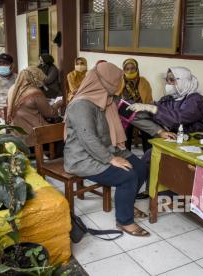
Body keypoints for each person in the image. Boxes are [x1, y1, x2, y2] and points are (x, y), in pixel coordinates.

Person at [64, 62, 150, 237]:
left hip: (105, 150)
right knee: (127, 175)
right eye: (117, 79)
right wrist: (111, 159)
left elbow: (134, 114)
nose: (120, 83)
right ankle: (124, 221)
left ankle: (126, 204)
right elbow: (88, 138)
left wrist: (160, 131)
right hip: (82, 158)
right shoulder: (81, 105)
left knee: (141, 168)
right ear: (106, 81)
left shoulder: (108, 99)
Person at [128, 66, 203, 199]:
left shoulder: (195, 99)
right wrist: (141, 108)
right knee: (148, 157)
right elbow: (158, 110)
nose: (168, 84)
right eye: (167, 80)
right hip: (172, 141)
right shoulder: (170, 98)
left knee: (150, 156)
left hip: (192, 144)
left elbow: (178, 118)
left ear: (183, 80)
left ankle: (151, 191)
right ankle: (144, 191)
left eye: (172, 80)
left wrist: (153, 109)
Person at [7, 67, 64, 147]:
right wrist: (58, 104)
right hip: (34, 137)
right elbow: (50, 113)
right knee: (64, 130)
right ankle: (54, 156)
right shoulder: (34, 92)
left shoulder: (12, 89)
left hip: (16, 136)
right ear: (35, 77)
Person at [117, 58, 154, 152]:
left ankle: (147, 157)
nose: (130, 71)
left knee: (147, 133)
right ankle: (127, 156)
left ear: (136, 69)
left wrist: (145, 109)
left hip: (141, 110)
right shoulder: (119, 81)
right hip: (126, 111)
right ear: (123, 70)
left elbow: (149, 99)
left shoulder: (143, 81)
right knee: (125, 133)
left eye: (132, 68)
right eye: (127, 68)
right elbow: (116, 97)